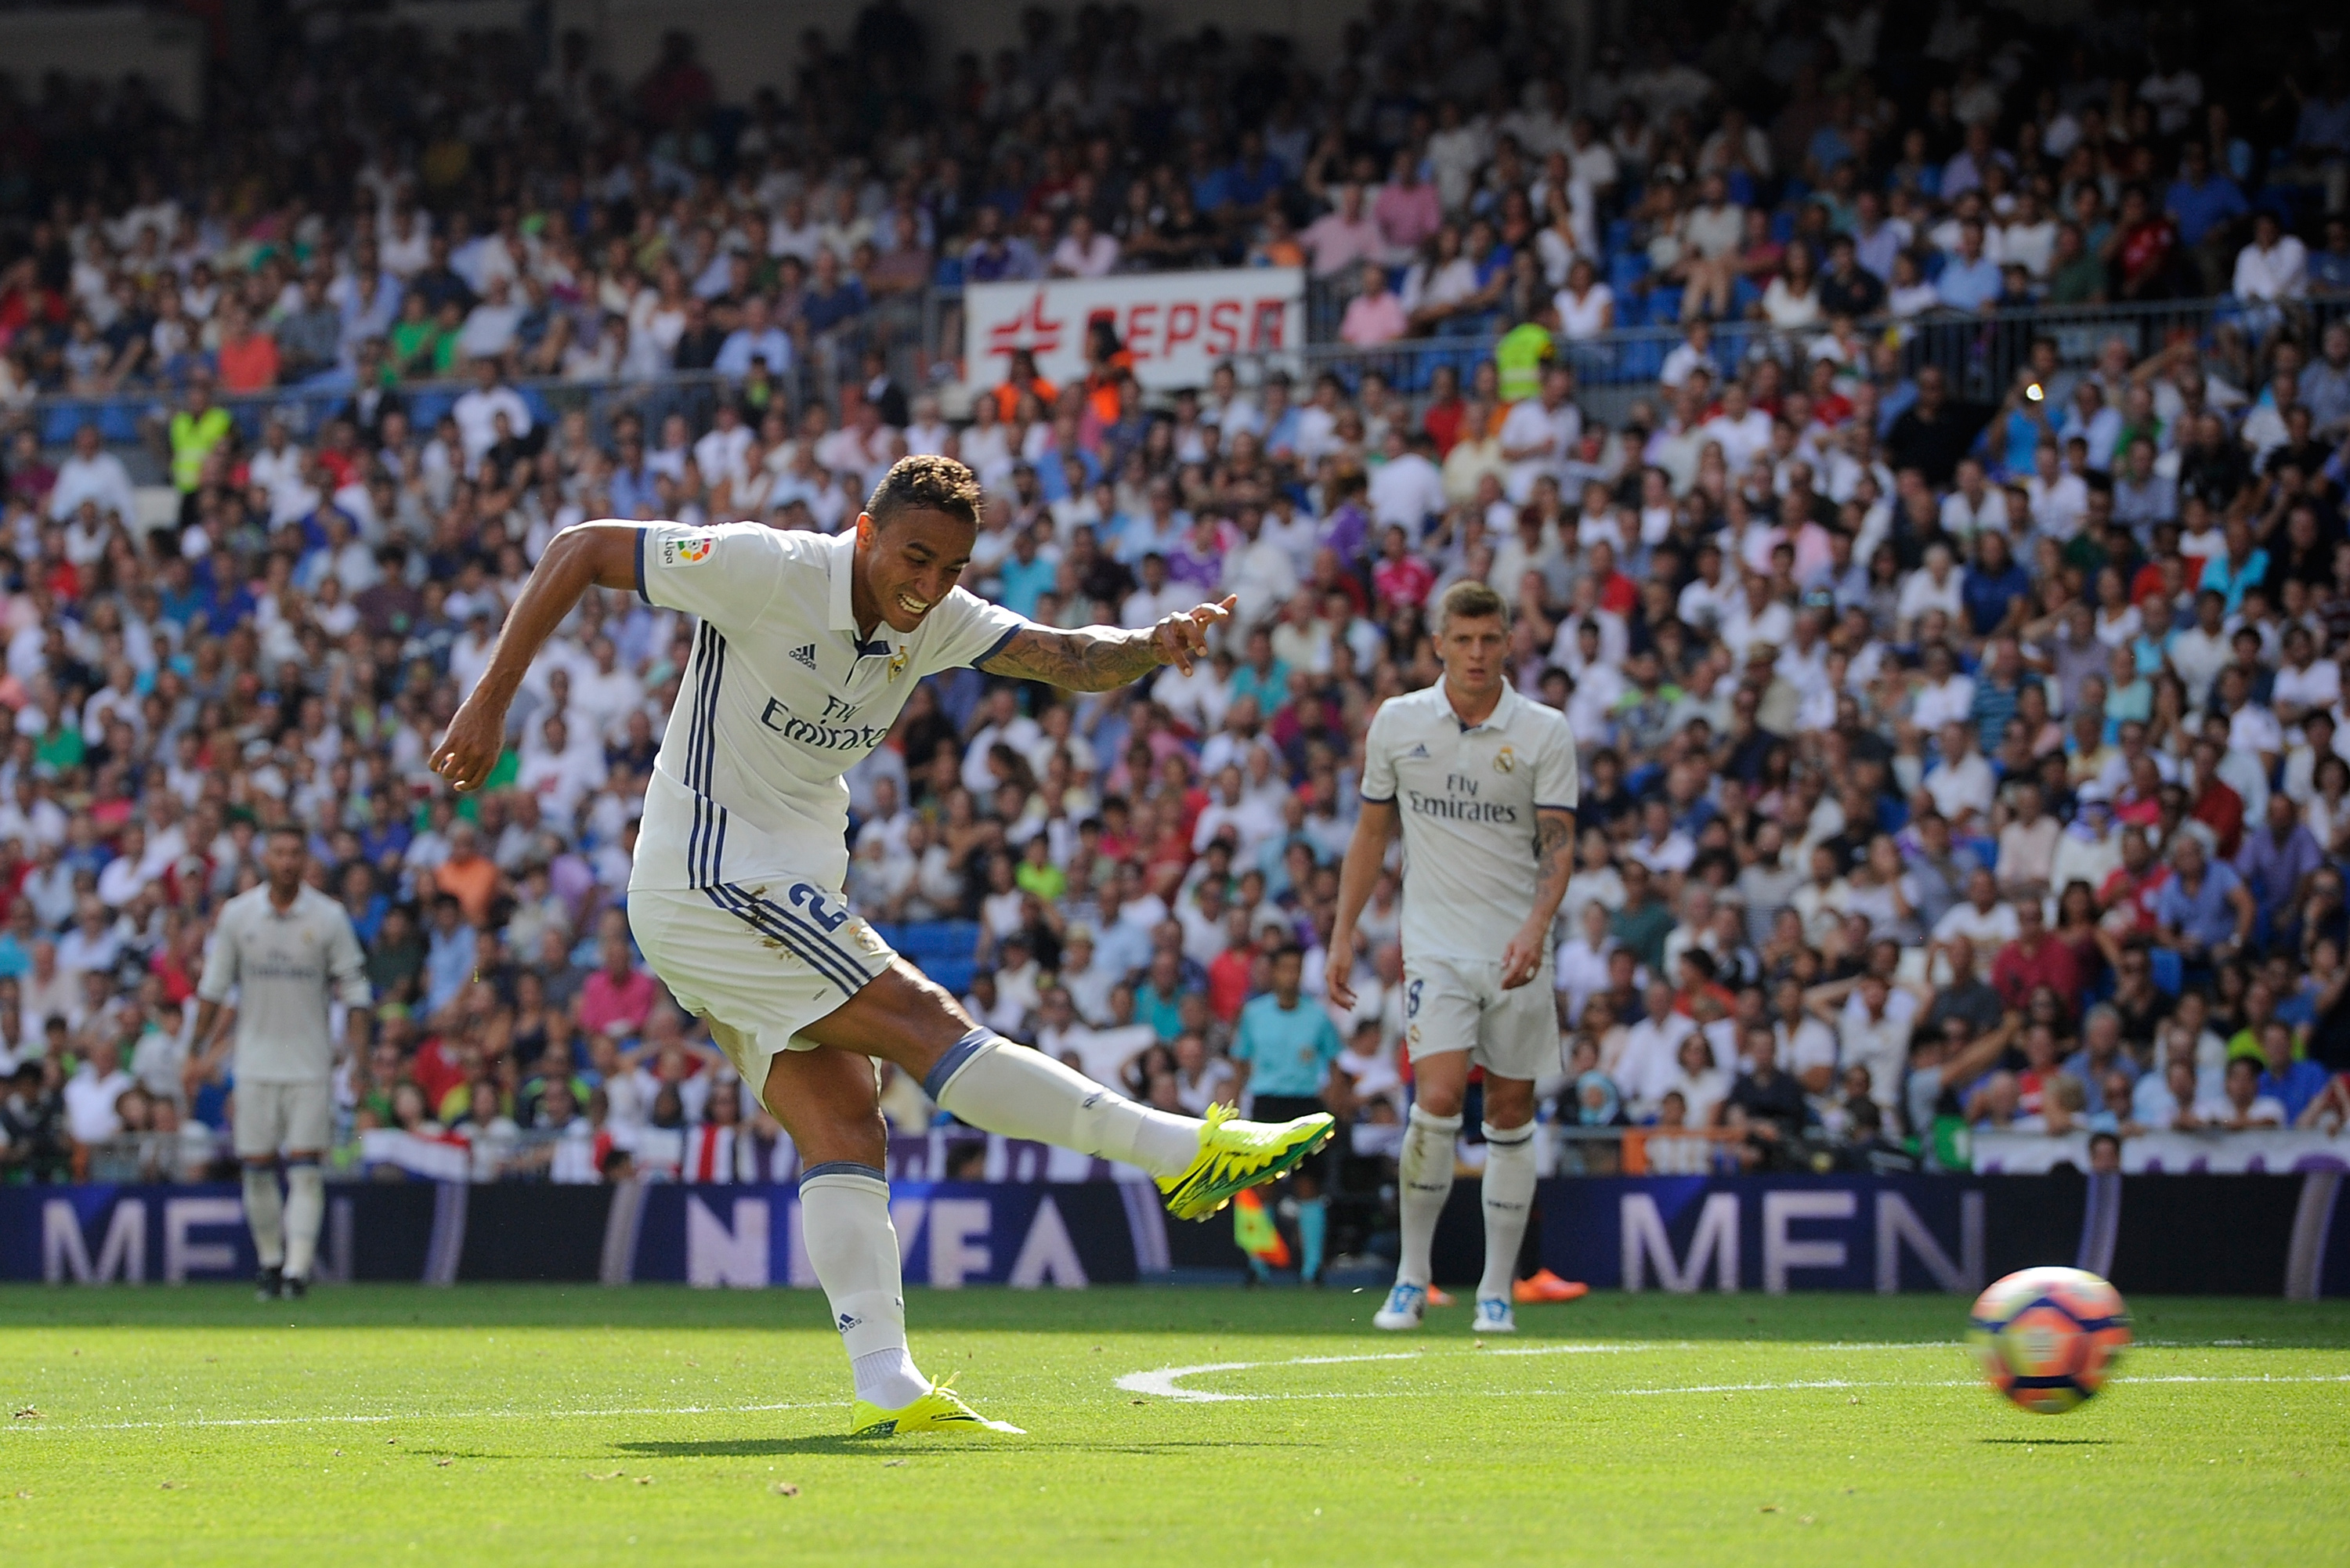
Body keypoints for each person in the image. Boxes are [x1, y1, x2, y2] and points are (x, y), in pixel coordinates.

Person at [430, 454, 1331, 1438]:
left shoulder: (935, 616)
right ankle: (1176, 1151)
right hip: (713, 876)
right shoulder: (765, 567)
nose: (931, 586)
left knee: (849, 1121)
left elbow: (1068, 658)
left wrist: (1153, 644)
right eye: (915, 557)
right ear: (865, 533)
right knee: (923, 1022)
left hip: (773, 887)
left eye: (951, 567)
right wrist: (491, 699)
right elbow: (582, 548)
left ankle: (887, 1387)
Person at [1329, 579, 1585, 1336]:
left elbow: (1558, 847)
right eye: (1463, 639)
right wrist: (1343, 934)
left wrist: (1537, 928)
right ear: (1439, 642)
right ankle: (1412, 1280)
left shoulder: (1544, 731)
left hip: (1516, 949)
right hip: (1434, 945)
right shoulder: (1399, 722)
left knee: (1510, 1113)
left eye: (1490, 639)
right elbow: (1372, 835)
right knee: (1436, 1101)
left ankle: (1496, 1291)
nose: (1476, 653)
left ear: (1509, 643)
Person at [191, 824, 372, 1300]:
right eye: (280, 853)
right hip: (253, 1062)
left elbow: (356, 993)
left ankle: (297, 1270)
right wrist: (193, 1051)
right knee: (255, 1167)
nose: (288, 862)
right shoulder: (238, 915)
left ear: (305, 859)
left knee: (306, 1169)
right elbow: (213, 988)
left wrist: (359, 1059)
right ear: (266, 858)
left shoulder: (329, 917)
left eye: (296, 853)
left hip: (311, 1065)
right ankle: (271, 1262)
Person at [1226, 942, 1344, 1284]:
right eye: (1285, 968)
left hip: (1305, 1103)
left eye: (1296, 968)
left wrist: (1334, 1106)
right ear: (1274, 972)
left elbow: (1335, 1063)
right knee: (1261, 1184)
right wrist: (1232, 1106)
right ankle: (1257, 1265)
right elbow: (1240, 1062)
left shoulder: (1318, 1016)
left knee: (1308, 1185)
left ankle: (1311, 1268)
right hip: (1267, 1102)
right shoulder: (1254, 1014)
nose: (1290, 976)